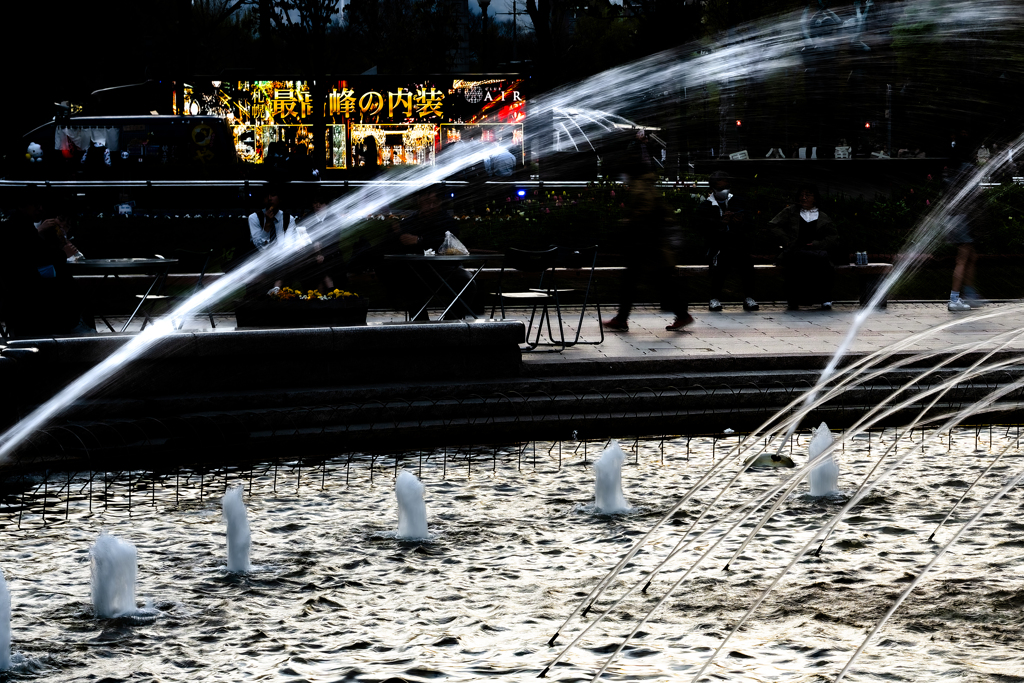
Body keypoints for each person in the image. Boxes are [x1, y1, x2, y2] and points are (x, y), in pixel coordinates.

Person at [603, 171, 693, 332]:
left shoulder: (641, 186)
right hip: (651, 245)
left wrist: (627, 223)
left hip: (647, 246)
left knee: (640, 281)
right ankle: (622, 318)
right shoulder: (645, 185)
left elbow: (643, 212)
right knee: (656, 281)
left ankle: (622, 319)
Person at [0, 191, 94, 337]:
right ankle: (74, 326)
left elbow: (36, 254)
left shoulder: (22, 226)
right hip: (26, 291)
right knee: (70, 288)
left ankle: (75, 326)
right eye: (35, 205)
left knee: (69, 284)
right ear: (22, 206)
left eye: (40, 206)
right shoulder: (18, 228)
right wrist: (63, 253)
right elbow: (36, 257)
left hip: (22, 289)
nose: (40, 209)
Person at [769, 184, 839, 310]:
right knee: (795, 264)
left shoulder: (823, 216)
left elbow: (833, 237)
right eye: (801, 195)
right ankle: (794, 300)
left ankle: (824, 299)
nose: (804, 198)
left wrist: (817, 244)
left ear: (815, 198)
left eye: (808, 195)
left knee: (823, 264)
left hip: (816, 251)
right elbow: (773, 225)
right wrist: (786, 241)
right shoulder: (790, 211)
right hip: (795, 249)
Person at [695, 170, 758, 311]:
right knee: (721, 261)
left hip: (738, 245)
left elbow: (751, 226)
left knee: (746, 262)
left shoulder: (738, 201)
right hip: (717, 247)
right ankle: (714, 297)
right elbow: (703, 230)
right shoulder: (705, 206)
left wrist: (740, 222)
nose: (724, 190)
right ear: (712, 189)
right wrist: (721, 223)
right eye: (720, 188)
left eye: (726, 186)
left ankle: (749, 297)